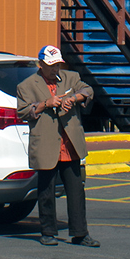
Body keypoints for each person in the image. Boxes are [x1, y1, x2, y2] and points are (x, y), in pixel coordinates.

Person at [16, 45, 99, 248]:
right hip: (46, 144)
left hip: (69, 144)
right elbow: (23, 111)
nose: (55, 70)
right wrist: (46, 103)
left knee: (76, 190)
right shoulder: (27, 85)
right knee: (46, 191)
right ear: (41, 65)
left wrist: (73, 98)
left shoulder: (70, 77)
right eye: (51, 66)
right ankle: (48, 232)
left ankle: (80, 233)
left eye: (58, 65)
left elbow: (87, 90)